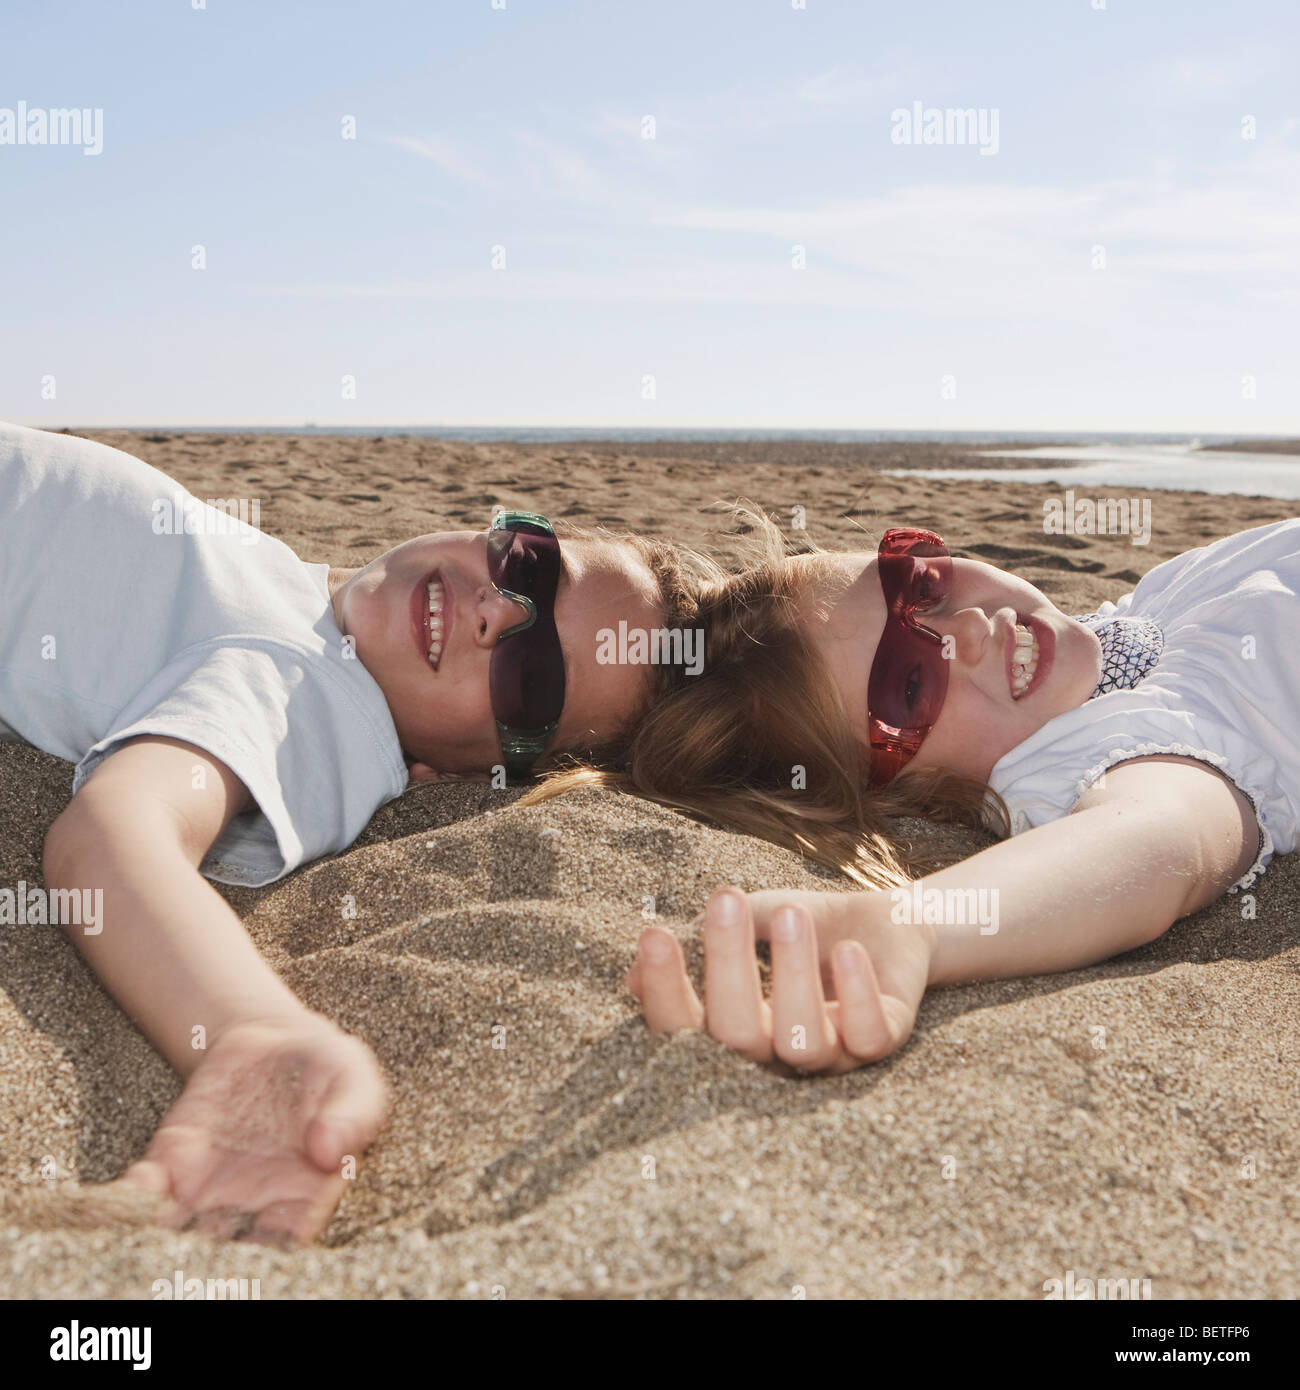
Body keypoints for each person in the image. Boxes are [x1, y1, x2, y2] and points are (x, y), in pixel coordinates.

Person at [3, 420, 698, 1244]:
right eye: (532, 566)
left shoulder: (319, 696)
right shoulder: (313, 608)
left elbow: (116, 833)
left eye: (532, 678)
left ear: (456, 775)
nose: (498, 611)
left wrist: (250, 1030)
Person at [528, 508, 1299, 1076]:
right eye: (907, 690)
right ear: (922, 793)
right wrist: (919, 923)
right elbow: (1160, 838)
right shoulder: (1090, 752)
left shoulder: (1149, 604)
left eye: (922, 584)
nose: (968, 630)